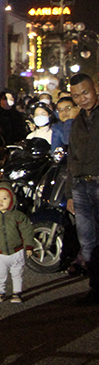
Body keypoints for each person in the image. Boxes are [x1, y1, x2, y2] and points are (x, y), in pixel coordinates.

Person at [67, 73, 99, 305]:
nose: (82, 99)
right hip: (80, 185)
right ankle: (95, 287)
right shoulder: (77, 121)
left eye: (85, 92)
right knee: (87, 241)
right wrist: (70, 192)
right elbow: (71, 157)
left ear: (95, 88)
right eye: (76, 96)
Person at [0, 183, 34, 303]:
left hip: (17, 251)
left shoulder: (18, 216)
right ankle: (0, 291)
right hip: (0, 253)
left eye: (5, 198)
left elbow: (27, 231)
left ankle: (17, 292)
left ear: (12, 200)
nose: (0, 201)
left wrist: (29, 246)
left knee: (17, 273)